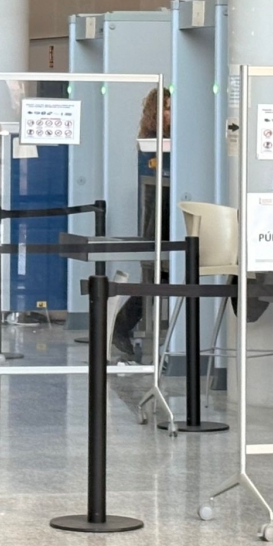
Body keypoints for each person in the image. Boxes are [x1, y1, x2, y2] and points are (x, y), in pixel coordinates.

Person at [113, 87, 170, 357]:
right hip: (157, 214)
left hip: (167, 213)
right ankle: (122, 325)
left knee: (160, 277)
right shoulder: (151, 142)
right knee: (156, 276)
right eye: (166, 109)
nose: (171, 115)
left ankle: (122, 325)